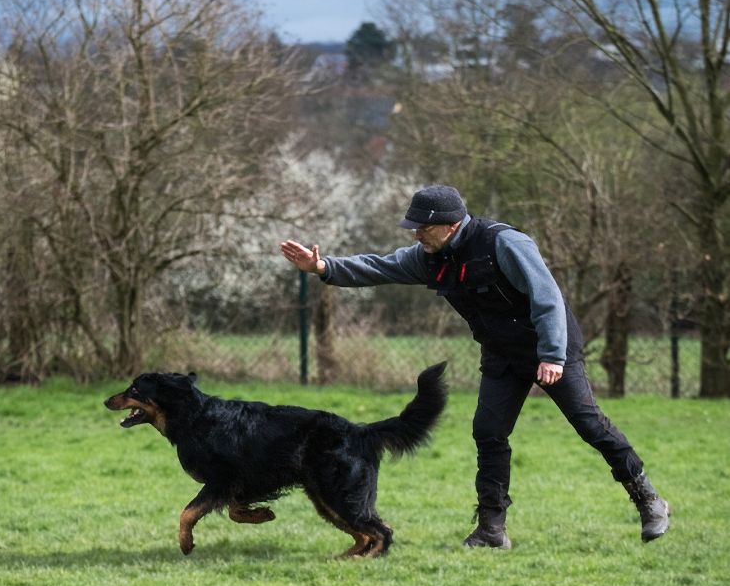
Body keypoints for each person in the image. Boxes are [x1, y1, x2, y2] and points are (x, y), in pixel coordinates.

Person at [280, 184, 669, 549]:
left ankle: (648, 500)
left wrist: (552, 354)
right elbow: (380, 267)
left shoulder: (504, 243)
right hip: (501, 354)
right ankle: (491, 529)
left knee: (590, 425)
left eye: (423, 228)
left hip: (549, 347)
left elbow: (546, 296)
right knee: (488, 432)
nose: (416, 235)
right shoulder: (430, 257)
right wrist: (323, 267)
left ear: (450, 226)